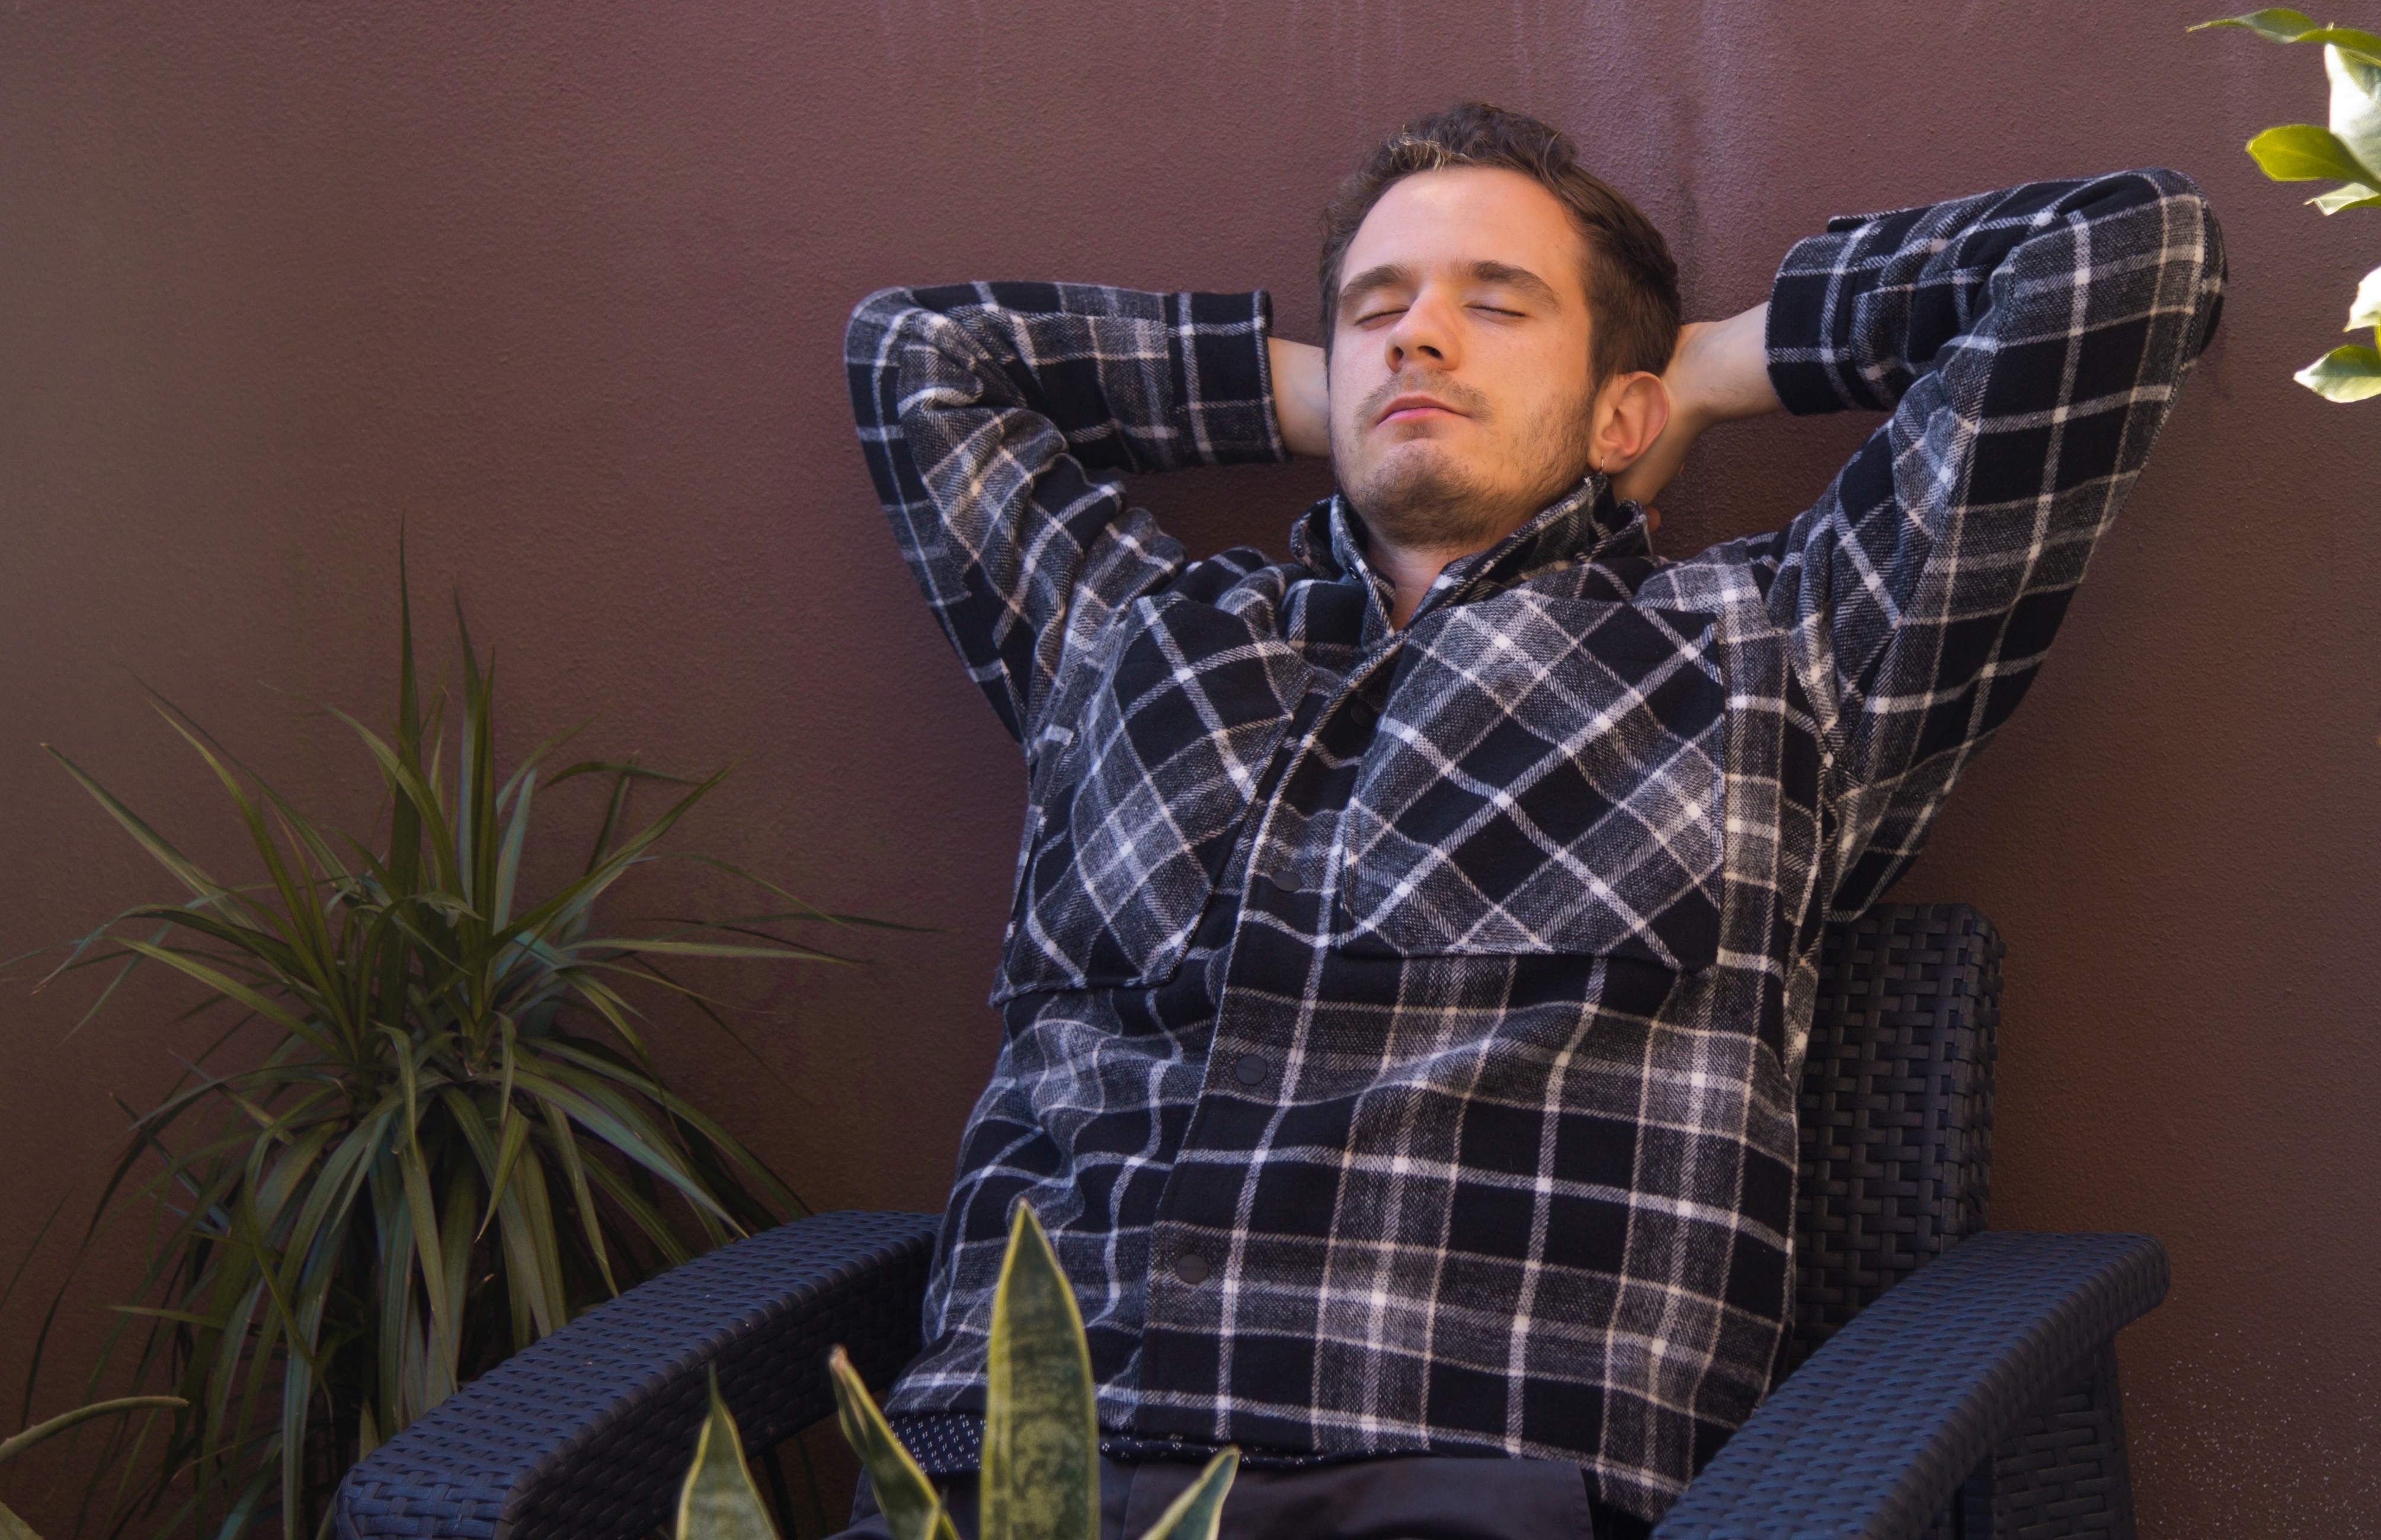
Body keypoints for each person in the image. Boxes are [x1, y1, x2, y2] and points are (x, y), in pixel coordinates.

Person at [838, 102, 2225, 1540]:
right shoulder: (1131, 637)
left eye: (1496, 305)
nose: (1417, 334)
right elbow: (917, 356)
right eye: (1376, 310)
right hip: (1000, 1473)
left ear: (1619, 409)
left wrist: (1699, 378)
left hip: (1466, 1480)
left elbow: (2122, 254)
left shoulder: (1776, 651)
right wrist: (1360, 398)